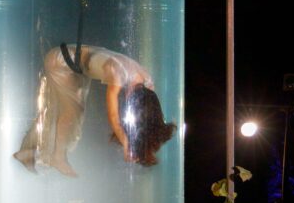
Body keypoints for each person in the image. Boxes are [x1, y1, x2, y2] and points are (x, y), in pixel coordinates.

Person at [13, 44, 176, 175]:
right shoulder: (118, 73)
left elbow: (151, 112)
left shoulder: (146, 79)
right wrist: (126, 143)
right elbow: (112, 114)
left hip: (75, 68)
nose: (124, 102)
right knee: (72, 112)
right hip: (61, 61)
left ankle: (30, 152)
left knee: (64, 111)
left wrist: (151, 133)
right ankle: (56, 157)